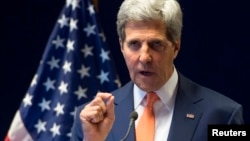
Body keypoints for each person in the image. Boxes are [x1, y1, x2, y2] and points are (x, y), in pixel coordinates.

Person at [70, 0, 244, 140]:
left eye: (156, 44)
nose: (144, 57)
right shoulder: (91, 121)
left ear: (176, 47)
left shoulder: (223, 116)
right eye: (134, 44)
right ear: (121, 46)